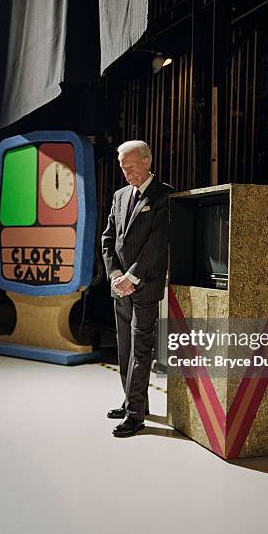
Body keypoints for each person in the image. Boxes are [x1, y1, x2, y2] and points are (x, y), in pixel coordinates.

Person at [102, 140, 174, 437]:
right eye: (122, 167)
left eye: (130, 166)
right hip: (120, 286)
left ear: (147, 161)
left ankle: (135, 417)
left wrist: (132, 277)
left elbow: (157, 244)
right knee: (125, 347)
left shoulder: (164, 196)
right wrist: (116, 274)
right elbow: (108, 239)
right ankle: (133, 401)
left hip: (143, 286)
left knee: (141, 349)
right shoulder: (120, 196)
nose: (126, 172)